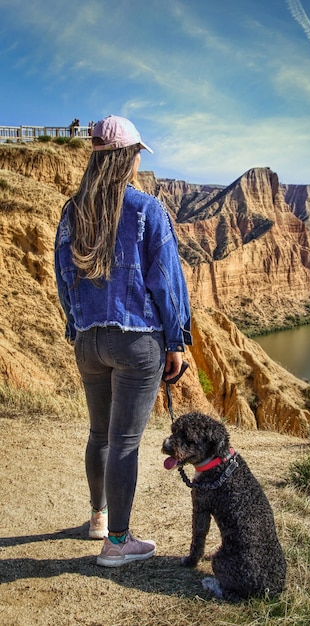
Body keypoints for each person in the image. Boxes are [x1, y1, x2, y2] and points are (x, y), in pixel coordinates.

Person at [54, 114, 192, 567]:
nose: (137, 162)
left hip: (88, 341)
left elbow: (63, 278)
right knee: (126, 441)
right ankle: (117, 542)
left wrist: (77, 326)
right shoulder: (147, 209)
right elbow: (166, 284)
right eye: (135, 154)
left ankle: (98, 517)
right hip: (136, 344)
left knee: (100, 434)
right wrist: (176, 341)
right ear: (127, 158)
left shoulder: (73, 211)